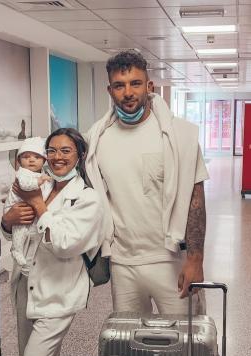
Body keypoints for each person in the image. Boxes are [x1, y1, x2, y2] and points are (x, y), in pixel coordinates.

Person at [86, 50, 208, 315]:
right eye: (119, 85)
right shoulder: (97, 140)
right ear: (110, 90)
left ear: (149, 86)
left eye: (135, 83)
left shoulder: (180, 136)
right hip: (123, 263)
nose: (128, 92)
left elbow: (195, 199)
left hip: (170, 259)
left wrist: (195, 259)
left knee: (185, 345)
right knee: (132, 346)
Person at [0, 128, 104, 356]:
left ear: (80, 155)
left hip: (58, 294)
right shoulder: (39, 184)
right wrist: (8, 221)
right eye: (52, 150)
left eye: (66, 151)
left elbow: (64, 244)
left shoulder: (87, 198)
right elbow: (19, 231)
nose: (58, 157)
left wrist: (37, 203)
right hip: (26, 285)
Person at [4, 136, 53, 272]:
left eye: (36, 157)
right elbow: (25, 186)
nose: (31, 160)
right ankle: (16, 249)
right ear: (19, 161)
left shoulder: (43, 174)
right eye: (26, 157)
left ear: (44, 160)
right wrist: (39, 181)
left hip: (30, 212)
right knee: (20, 230)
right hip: (18, 209)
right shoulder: (23, 173)